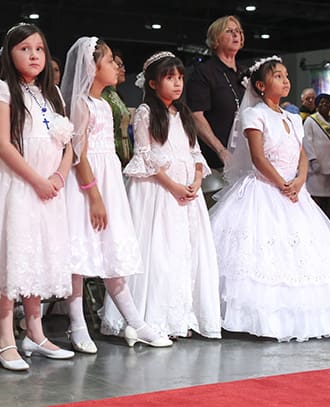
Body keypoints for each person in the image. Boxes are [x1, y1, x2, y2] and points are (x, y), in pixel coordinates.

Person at [210, 56, 330, 341]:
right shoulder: (254, 115)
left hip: (295, 190)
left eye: (286, 75)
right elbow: (257, 157)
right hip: (265, 188)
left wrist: (300, 181)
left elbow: (301, 154)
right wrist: (281, 183)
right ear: (261, 86)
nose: (286, 80)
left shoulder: (292, 117)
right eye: (278, 76)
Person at [0, 22, 75, 371]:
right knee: (11, 257)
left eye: (39, 49)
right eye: (25, 49)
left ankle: (36, 332)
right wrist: (37, 180)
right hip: (16, 186)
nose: (34, 55)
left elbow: (68, 144)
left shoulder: (53, 95)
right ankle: (4, 338)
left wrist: (59, 174)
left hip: (49, 189)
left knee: (36, 258)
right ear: (9, 54)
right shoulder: (2, 90)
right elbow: (2, 144)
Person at [60, 37, 172, 352]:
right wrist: (93, 195)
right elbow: (78, 154)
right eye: (109, 61)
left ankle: (135, 322)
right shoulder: (80, 103)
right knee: (79, 254)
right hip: (88, 185)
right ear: (92, 67)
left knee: (112, 251)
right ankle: (77, 323)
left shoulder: (103, 103)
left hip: (108, 179)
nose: (115, 67)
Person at [117, 51, 222, 339]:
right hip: (158, 191)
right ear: (152, 83)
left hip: (188, 191)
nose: (177, 84)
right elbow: (144, 155)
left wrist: (197, 178)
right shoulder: (146, 113)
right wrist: (172, 185)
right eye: (169, 78)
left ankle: (184, 315)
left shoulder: (184, 114)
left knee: (185, 251)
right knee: (159, 251)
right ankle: (151, 318)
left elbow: (194, 151)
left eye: (179, 78)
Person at [186, 15, 246, 171]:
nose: (236, 35)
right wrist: (221, 150)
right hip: (217, 161)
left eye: (238, 31)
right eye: (229, 31)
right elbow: (196, 116)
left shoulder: (246, 73)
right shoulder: (203, 73)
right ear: (216, 39)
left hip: (246, 156)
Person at [303, 93, 330, 224]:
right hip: (317, 169)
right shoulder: (311, 120)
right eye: (321, 102)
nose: (324, 105)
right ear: (317, 105)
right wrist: (313, 160)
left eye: (327, 103)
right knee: (316, 200)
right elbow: (307, 142)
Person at [101, 48, 132, 167]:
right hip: (111, 155)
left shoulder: (116, 95)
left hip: (125, 155)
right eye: (118, 64)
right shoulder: (103, 96)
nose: (121, 69)